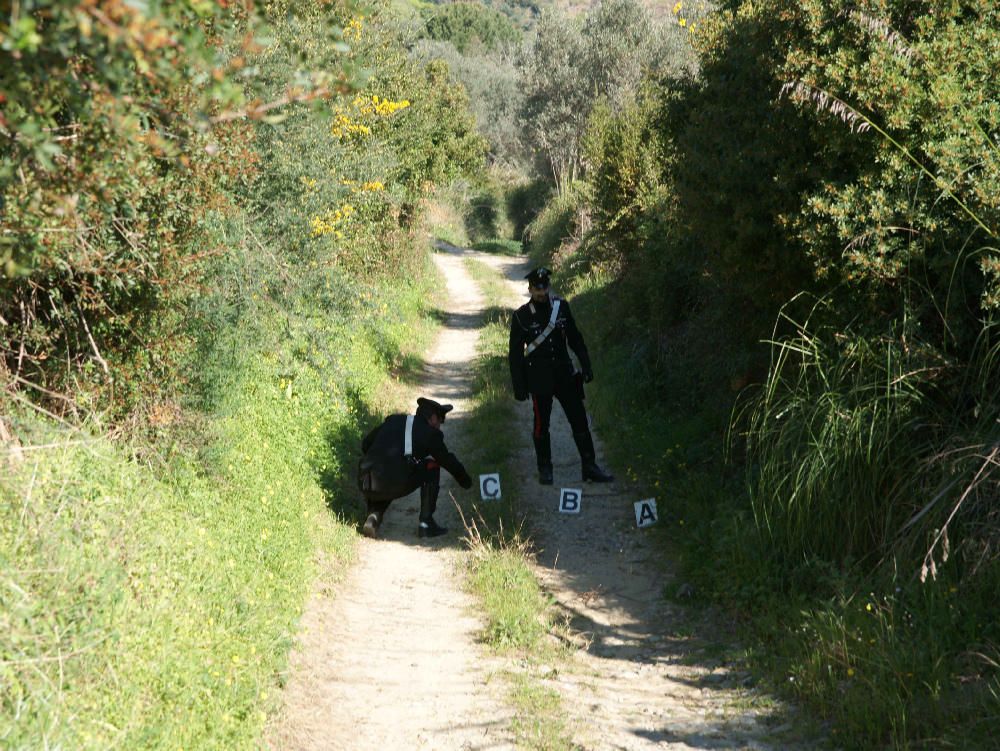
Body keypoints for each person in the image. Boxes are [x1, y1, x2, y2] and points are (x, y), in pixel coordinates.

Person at [508, 267, 614, 485]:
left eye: (544, 286)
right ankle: (545, 468)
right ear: (529, 289)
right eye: (537, 288)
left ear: (548, 286)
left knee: (580, 421)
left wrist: (586, 365)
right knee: (541, 424)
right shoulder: (521, 316)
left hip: (565, 374)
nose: (541, 291)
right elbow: (515, 354)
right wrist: (519, 386)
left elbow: (575, 338)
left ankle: (590, 466)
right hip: (539, 378)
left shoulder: (561, 307)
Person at [357, 397, 473, 539]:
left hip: (366, 480)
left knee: (388, 471)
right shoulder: (430, 433)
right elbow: (447, 460)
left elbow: (365, 444)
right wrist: (465, 481)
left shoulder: (393, 420)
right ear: (433, 417)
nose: (440, 426)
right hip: (392, 482)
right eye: (440, 421)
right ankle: (426, 524)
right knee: (431, 466)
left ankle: (374, 515)